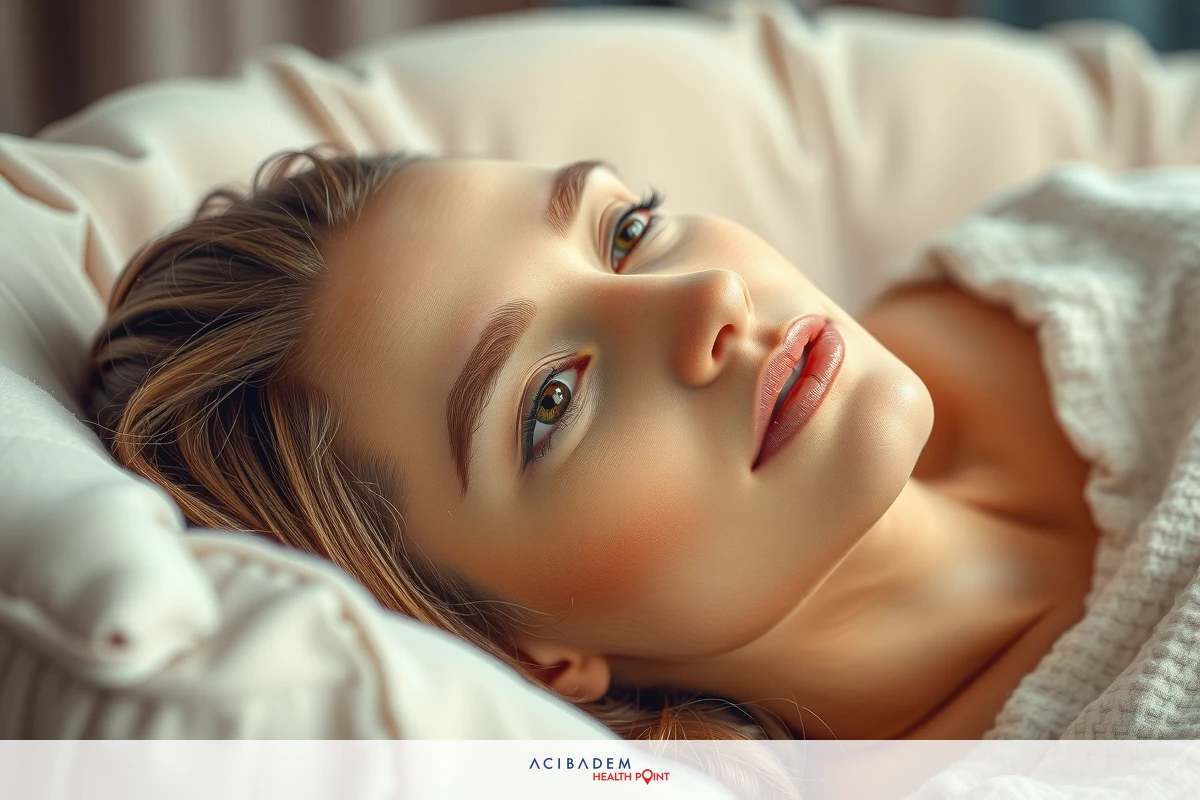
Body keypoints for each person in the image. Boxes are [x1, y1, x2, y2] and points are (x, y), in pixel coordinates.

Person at [81, 144, 1102, 740]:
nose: (709, 296)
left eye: (626, 232)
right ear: (532, 657)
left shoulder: (1065, 246)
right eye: (552, 402)